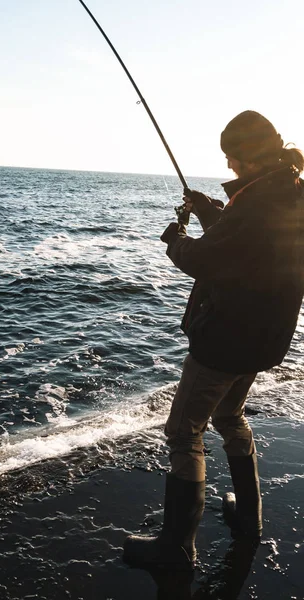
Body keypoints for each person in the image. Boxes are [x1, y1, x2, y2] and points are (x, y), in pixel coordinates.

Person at [123, 110, 304, 571]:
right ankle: (249, 516)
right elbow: (245, 244)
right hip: (265, 340)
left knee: (184, 433)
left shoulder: (257, 203)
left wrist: (175, 236)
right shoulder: (289, 191)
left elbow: (207, 258)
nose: (228, 167)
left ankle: (176, 550)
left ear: (247, 157)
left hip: (226, 339)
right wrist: (208, 209)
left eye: (231, 158)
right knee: (230, 414)